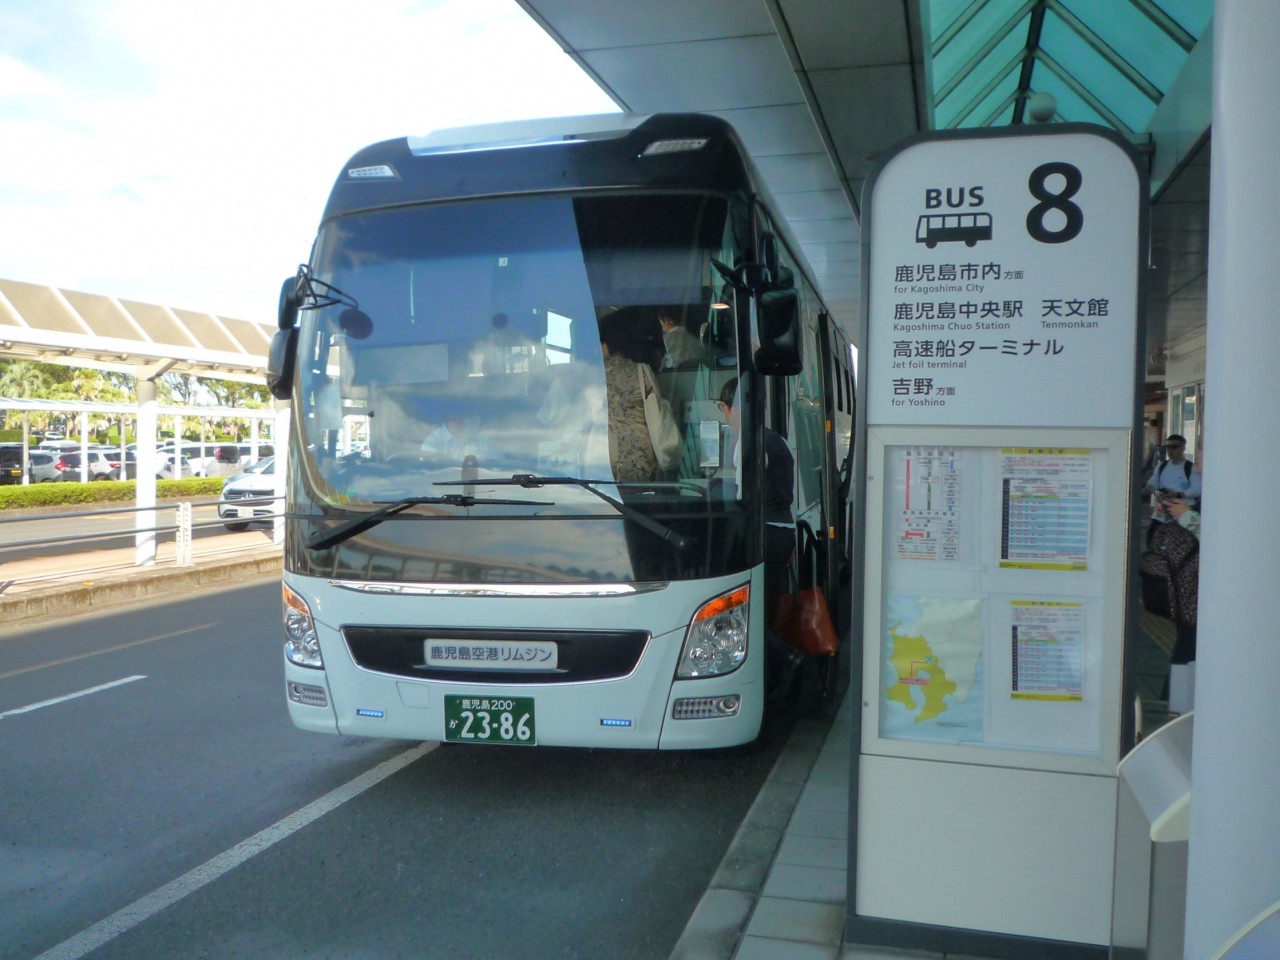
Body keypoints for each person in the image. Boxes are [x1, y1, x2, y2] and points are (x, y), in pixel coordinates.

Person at [720, 378, 802, 697]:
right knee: (766, 608)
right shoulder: (777, 439)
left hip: (763, 533)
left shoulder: (747, 442)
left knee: (746, 613)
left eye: (725, 410)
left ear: (735, 409)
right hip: (784, 531)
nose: (727, 417)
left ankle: (787, 659)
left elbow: (744, 498)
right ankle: (773, 682)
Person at [600, 332, 659, 482]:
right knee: (640, 493)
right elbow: (657, 406)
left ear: (607, 346)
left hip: (605, 451)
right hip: (640, 449)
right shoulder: (642, 370)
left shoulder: (594, 373)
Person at [1143, 434, 1201, 544]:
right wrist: (1148, 488)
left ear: (1183, 448)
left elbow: (1197, 489)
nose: (1170, 450)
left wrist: (1178, 494)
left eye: (1174, 447)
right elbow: (1154, 482)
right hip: (1161, 514)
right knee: (1151, 540)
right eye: (1168, 447)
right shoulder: (1162, 466)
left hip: (1182, 514)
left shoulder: (1190, 468)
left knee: (1179, 545)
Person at [421, 416, 497, 464]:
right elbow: (430, 476)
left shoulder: (485, 441)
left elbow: (498, 468)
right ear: (456, 418)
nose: (477, 420)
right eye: (469, 415)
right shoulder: (432, 443)